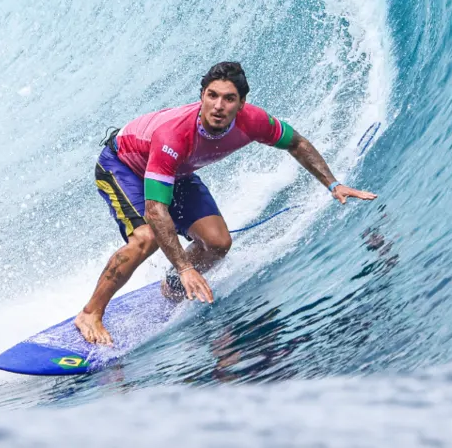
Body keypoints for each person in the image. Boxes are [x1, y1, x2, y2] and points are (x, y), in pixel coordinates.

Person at [74, 62, 378, 345]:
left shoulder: (253, 121)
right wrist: (184, 266)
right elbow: (155, 210)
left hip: (176, 172)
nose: (219, 106)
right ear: (202, 96)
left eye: (229, 99)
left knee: (217, 243)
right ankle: (90, 313)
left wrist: (334, 184)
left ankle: (172, 287)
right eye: (212, 96)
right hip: (124, 166)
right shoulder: (175, 134)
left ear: (241, 103)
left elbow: (296, 143)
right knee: (146, 237)